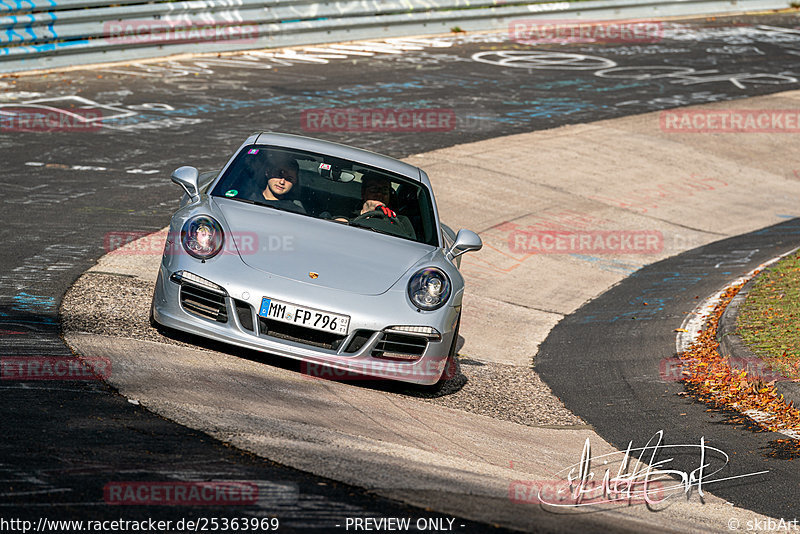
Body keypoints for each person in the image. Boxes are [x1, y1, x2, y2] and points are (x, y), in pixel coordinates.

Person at [340, 173, 416, 239]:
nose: (379, 194)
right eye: (374, 189)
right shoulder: (348, 212)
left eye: (384, 191)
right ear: (363, 193)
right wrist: (365, 213)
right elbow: (337, 228)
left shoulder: (401, 220)